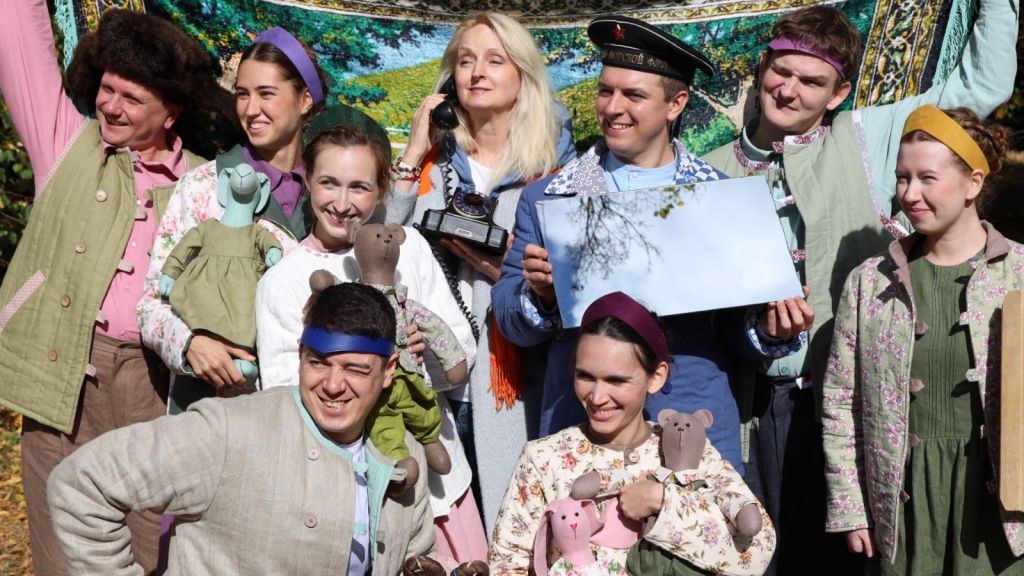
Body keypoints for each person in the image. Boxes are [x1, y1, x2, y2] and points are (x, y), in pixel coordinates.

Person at [701, 2, 1018, 572]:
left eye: (811, 81)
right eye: (781, 71)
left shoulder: (868, 136)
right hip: (754, 410)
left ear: (838, 94)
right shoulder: (708, 169)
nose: (789, 90)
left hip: (854, 410)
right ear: (762, 67)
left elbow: (982, 84)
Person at [491, 14, 813, 474]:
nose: (613, 107)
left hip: (689, 431)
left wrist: (771, 329)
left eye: (634, 95)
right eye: (606, 91)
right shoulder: (549, 199)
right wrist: (541, 297)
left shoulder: (722, 200)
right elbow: (510, 321)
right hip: (582, 434)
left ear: (675, 104)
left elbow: (736, 333)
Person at [0, 2, 233, 573]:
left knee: (149, 547)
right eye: (107, 88)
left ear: (171, 111)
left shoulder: (206, 183)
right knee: (59, 547)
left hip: (155, 387)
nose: (110, 105)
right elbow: (16, 38)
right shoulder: (65, 142)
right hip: (63, 370)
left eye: (131, 97)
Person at [47, 282, 434, 575]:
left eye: (355, 369)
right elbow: (82, 483)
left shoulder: (403, 455)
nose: (333, 385)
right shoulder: (231, 432)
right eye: (317, 363)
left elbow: (413, 554)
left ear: (389, 371)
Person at [256, 125, 485, 565]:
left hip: (437, 484)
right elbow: (285, 393)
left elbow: (461, 347)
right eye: (329, 183)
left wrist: (422, 357)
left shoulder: (409, 248)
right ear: (307, 180)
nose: (342, 203)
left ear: (382, 189)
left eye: (359, 187)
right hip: (344, 492)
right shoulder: (282, 281)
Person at [385, 12, 576, 533]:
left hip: (515, 385)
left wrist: (505, 270)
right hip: (432, 386)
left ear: (523, 75)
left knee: (513, 534)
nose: (477, 72)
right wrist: (413, 152)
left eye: (495, 60)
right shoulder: (433, 163)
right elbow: (381, 247)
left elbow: (572, 292)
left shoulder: (558, 169)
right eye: (465, 61)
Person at [823, 105, 1024, 574]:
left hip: (1000, 511)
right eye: (902, 178)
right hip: (901, 505)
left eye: (927, 178)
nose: (909, 194)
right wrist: (850, 508)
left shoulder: (1019, 273)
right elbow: (841, 402)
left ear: (973, 183)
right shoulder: (869, 282)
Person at [488, 291, 775, 575]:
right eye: (585, 376)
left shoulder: (690, 450)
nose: (597, 396)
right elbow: (507, 564)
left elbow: (757, 551)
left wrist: (664, 503)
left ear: (656, 377)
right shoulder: (544, 459)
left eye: (616, 380)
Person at [137, 26, 329, 411]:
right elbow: (152, 304)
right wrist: (190, 344)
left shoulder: (332, 195)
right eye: (242, 94)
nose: (250, 109)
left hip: (310, 412)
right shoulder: (204, 187)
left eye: (266, 93)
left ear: (305, 99)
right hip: (210, 408)